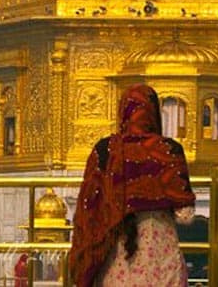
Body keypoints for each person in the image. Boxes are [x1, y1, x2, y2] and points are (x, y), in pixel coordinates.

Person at [70, 84, 196, 287]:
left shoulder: (105, 150)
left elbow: (90, 209)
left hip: (116, 260)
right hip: (161, 258)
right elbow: (185, 215)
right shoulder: (170, 150)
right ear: (154, 112)